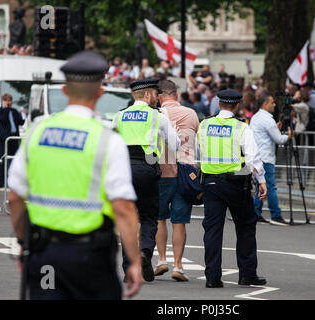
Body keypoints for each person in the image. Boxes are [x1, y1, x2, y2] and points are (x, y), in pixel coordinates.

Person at [7, 51, 143, 299]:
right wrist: (134, 261)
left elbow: (15, 196)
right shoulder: (107, 140)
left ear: (66, 91)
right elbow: (122, 207)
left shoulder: (37, 133)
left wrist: (24, 244)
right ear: (101, 92)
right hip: (90, 257)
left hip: (44, 252)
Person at [197, 89, 268, 288]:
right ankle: (247, 275)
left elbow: (198, 150)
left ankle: (212, 277)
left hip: (210, 183)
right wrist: (261, 180)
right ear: (237, 106)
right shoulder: (241, 127)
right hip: (236, 183)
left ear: (219, 104)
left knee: (212, 230)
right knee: (245, 227)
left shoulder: (204, 124)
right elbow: (253, 157)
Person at [113, 78, 180, 283]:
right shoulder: (156, 116)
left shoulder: (120, 116)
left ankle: (129, 270)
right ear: (148, 95)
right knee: (149, 217)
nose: (157, 98)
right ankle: (144, 252)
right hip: (147, 170)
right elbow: (175, 144)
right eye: (155, 94)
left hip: (124, 170)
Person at [154, 80, 199, 282]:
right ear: (176, 94)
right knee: (179, 221)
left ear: (159, 96)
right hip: (185, 171)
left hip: (162, 171)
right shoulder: (191, 114)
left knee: (159, 218)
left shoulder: (157, 115)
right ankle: (179, 267)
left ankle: (162, 260)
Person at [250, 91, 293, 225]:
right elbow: (279, 139)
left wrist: (275, 128)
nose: (274, 105)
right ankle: (275, 215)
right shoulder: (267, 119)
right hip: (266, 158)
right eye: (272, 102)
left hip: (257, 157)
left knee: (260, 187)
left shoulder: (256, 117)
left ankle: (256, 213)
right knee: (271, 187)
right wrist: (289, 136)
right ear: (265, 103)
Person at [0, 93, 25, 188]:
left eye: (10, 101)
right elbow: (2, 119)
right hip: (4, 139)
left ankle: (13, 182)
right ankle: (1, 181)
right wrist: (5, 109)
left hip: (13, 138)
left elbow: (20, 122)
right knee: (2, 160)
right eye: (6, 100)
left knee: (14, 160)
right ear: (3, 101)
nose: (9, 103)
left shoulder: (14, 111)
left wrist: (22, 114)